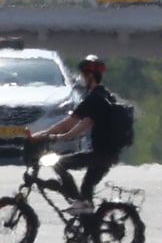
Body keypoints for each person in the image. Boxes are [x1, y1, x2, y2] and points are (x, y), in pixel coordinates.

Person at [32, 55, 120, 215]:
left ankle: (76, 201)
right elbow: (84, 124)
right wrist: (63, 137)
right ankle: (90, 227)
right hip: (109, 155)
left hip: (99, 154)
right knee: (86, 189)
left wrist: (44, 135)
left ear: (90, 76)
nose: (81, 78)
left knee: (59, 163)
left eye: (83, 75)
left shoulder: (94, 99)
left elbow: (69, 123)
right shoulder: (106, 96)